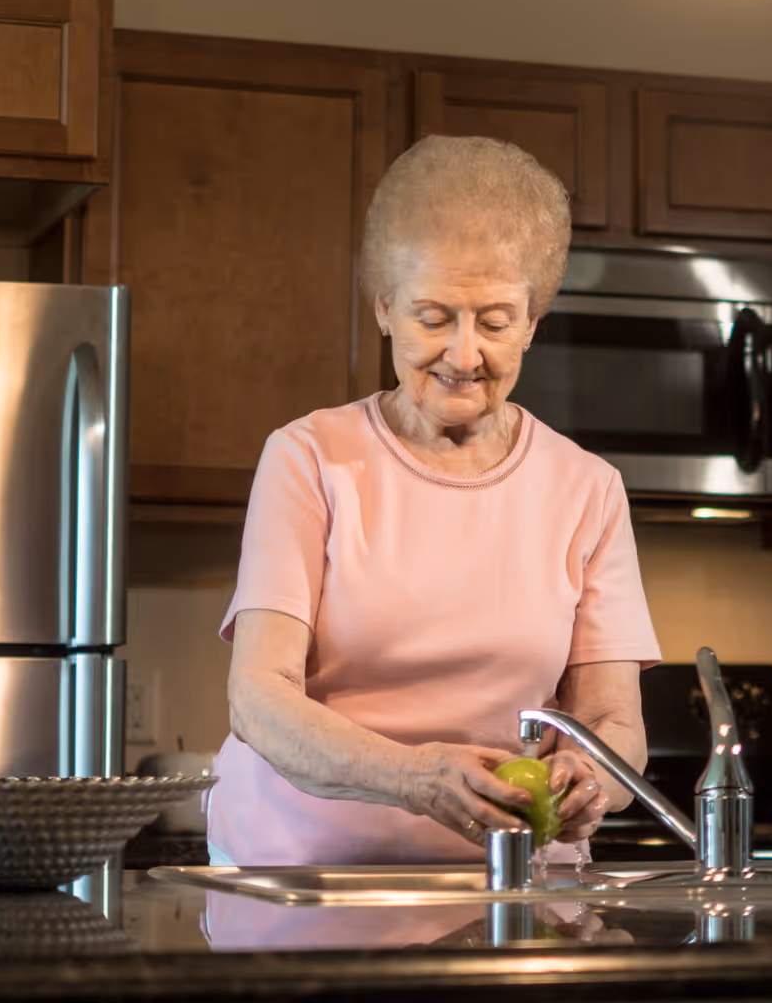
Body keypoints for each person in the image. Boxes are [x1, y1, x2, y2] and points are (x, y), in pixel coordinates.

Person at [206, 135, 661, 867]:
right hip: (309, 881)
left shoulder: (588, 488)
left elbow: (612, 720)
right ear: (384, 307)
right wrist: (419, 779)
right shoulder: (310, 458)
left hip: (513, 889)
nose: (463, 354)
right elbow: (260, 698)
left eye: (494, 321)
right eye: (433, 316)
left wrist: (594, 780)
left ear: (533, 323)